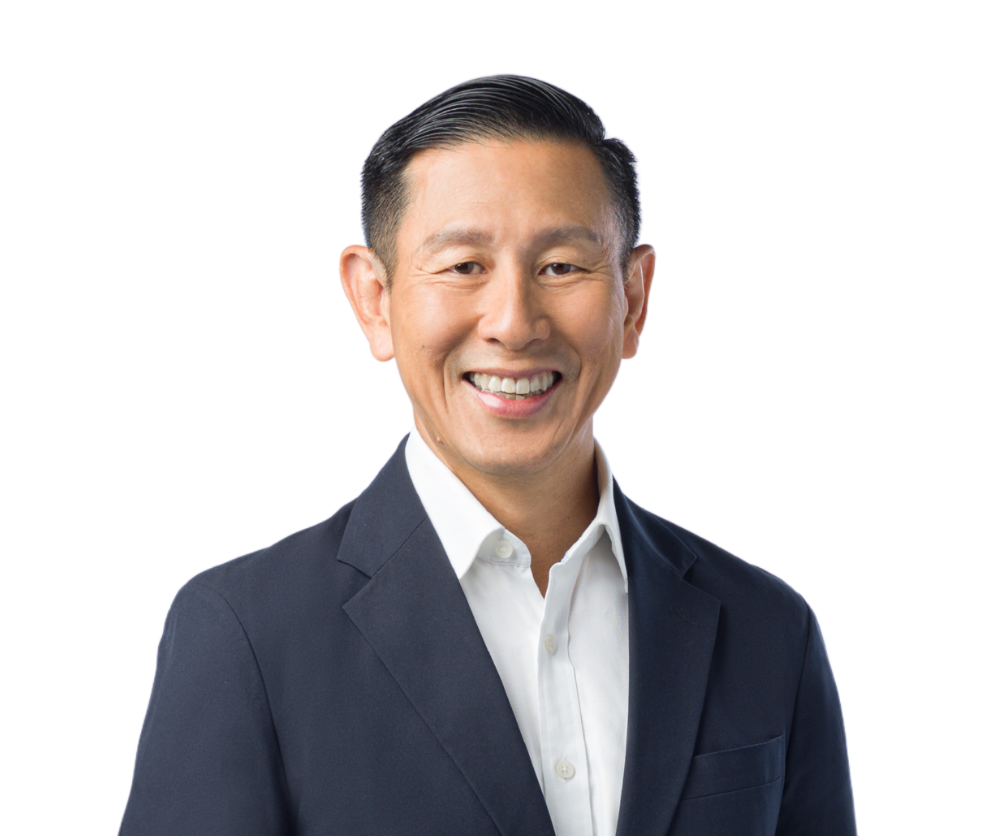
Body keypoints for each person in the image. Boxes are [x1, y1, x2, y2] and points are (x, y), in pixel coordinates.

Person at [119, 75, 857, 836]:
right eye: (465, 266)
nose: (513, 322)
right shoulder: (246, 636)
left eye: (562, 266)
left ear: (633, 299)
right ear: (374, 300)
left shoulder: (768, 630)